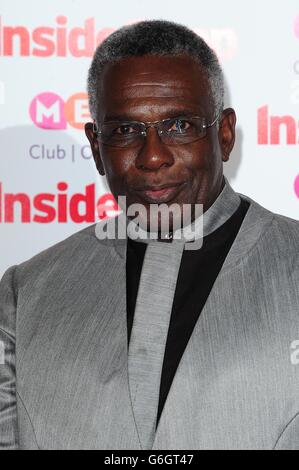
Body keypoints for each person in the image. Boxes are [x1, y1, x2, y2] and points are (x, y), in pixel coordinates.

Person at [1, 19, 299, 451]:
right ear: (96, 147)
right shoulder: (24, 295)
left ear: (225, 134)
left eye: (179, 126)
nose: (153, 156)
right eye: (125, 131)